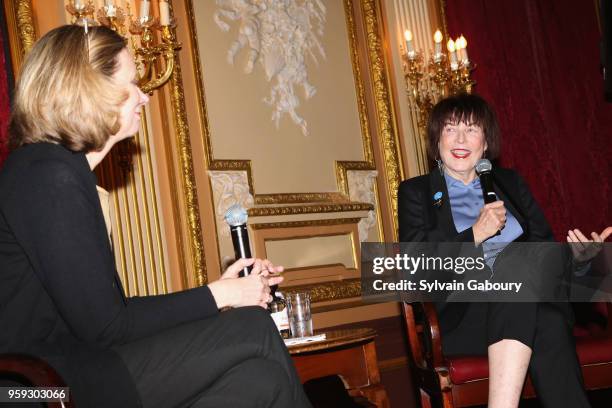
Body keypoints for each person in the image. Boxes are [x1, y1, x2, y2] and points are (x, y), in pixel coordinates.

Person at [0, 25, 312, 408]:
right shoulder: (48, 174)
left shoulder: (56, 171)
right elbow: (107, 328)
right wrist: (221, 295)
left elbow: (111, 316)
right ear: (91, 90)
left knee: (261, 382)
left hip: (71, 367)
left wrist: (221, 293)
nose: (144, 98)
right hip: (34, 387)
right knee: (253, 326)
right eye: (132, 84)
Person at [397, 93, 611, 408]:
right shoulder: (417, 192)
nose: (460, 138)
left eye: (471, 129)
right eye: (450, 128)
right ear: (436, 140)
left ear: (485, 143)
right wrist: (475, 235)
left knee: (548, 319)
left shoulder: (510, 183)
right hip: (461, 319)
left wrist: (578, 262)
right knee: (523, 279)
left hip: (527, 307)